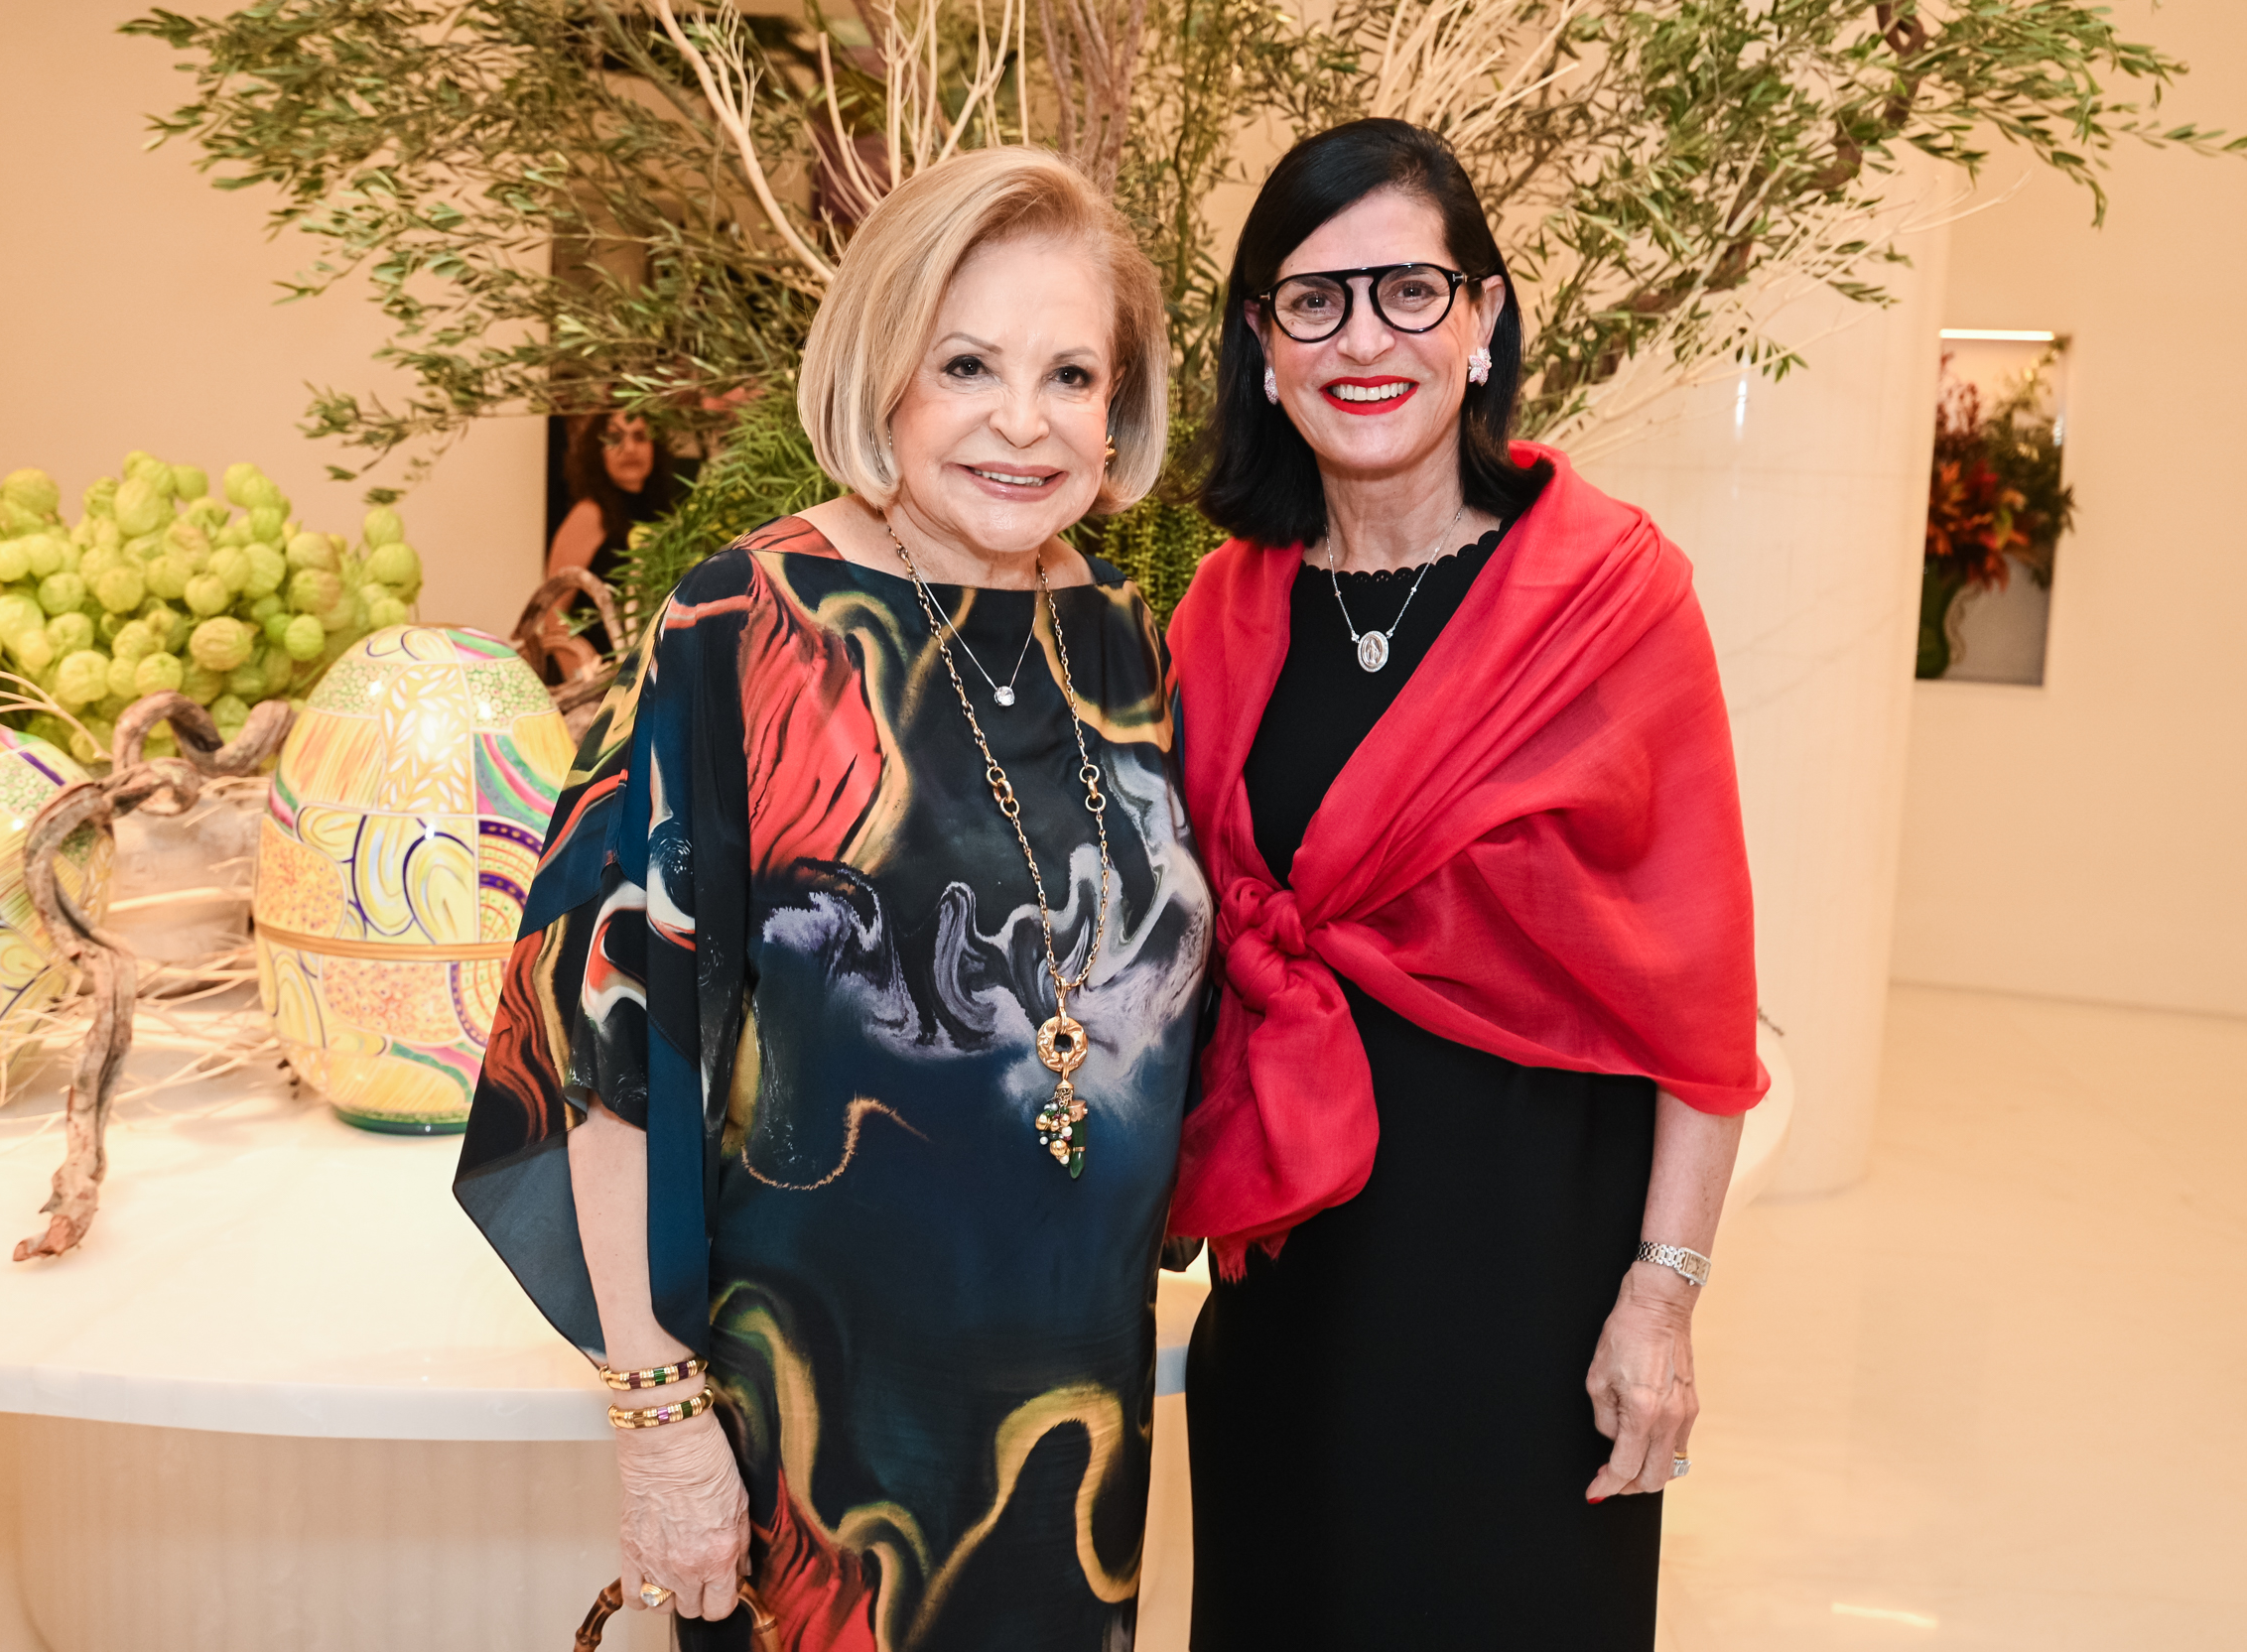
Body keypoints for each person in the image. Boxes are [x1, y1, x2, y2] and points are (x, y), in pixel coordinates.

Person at [455, 145, 1211, 1649]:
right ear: (884, 371)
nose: (1022, 421)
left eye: (1070, 375)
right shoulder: (741, 625)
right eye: (968, 364)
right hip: (815, 1430)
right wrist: (659, 1420)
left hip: (1072, 1417)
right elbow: (609, 1050)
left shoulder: (1122, 633)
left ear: (1117, 408)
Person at [1165, 119, 1770, 1649]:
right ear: (1262, 344)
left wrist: (1663, 1297)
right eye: (1315, 301)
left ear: (1484, 316)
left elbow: (1702, 1000)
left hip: (1534, 1304)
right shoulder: (1222, 612)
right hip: (1293, 1292)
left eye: (1410, 292)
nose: (1364, 341)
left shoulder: (1611, 600)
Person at [546, 410, 689, 590]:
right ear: (598, 451)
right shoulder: (589, 515)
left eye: (640, 437)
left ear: (655, 447)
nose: (629, 448)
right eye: (614, 438)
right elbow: (553, 604)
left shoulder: (665, 513)